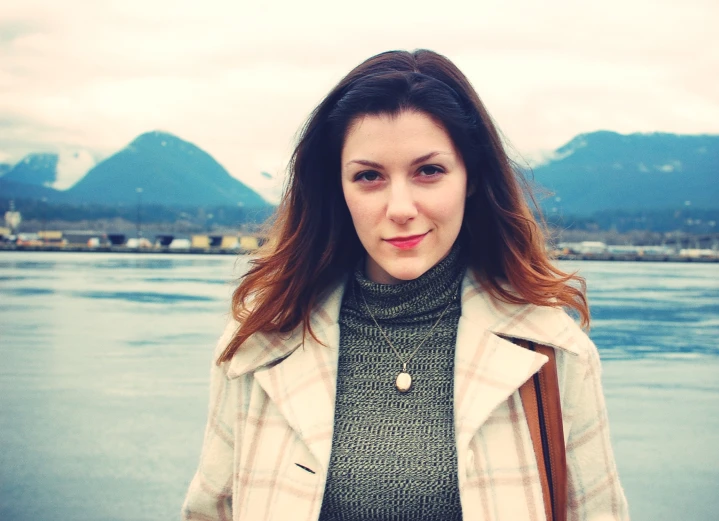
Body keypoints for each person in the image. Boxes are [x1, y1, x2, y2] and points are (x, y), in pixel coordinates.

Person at [182, 49, 629, 521]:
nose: (400, 207)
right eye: (369, 176)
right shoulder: (258, 344)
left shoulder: (553, 352)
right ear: (337, 188)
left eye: (428, 171)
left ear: (471, 179)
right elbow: (209, 511)